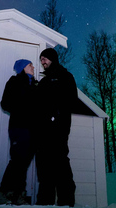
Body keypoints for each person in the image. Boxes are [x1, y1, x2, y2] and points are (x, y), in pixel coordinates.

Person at [36, 47, 78, 207]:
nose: (42, 62)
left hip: (59, 128)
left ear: (53, 58)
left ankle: (66, 202)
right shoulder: (44, 81)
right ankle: (44, 203)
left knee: (60, 163)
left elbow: (72, 101)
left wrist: (57, 114)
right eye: (41, 60)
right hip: (44, 131)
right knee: (45, 167)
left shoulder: (65, 77)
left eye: (45, 58)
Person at [0, 59, 38, 205]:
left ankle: (17, 194)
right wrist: (22, 109)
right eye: (30, 65)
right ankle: (4, 193)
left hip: (33, 129)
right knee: (17, 161)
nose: (33, 67)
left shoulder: (35, 84)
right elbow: (5, 103)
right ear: (22, 68)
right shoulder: (14, 82)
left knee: (24, 162)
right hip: (19, 127)